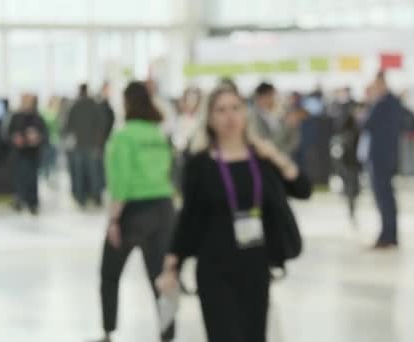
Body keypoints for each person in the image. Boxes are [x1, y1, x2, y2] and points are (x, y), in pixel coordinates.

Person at [157, 86, 312, 342]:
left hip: (256, 265)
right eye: (221, 110)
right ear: (210, 119)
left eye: (235, 108)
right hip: (214, 267)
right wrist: (172, 264)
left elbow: (303, 189)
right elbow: (188, 218)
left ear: (245, 114)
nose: (229, 116)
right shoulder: (200, 164)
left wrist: (275, 156)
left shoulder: (262, 159)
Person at [95, 82, 175, 342]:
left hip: (133, 211)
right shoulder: (158, 135)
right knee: (161, 280)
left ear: (127, 102)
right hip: (163, 209)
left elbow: (122, 180)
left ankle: (108, 331)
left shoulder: (123, 136)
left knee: (109, 273)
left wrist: (114, 219)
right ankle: (168, 334)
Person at [362, 71, 405, 249]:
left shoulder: (383, 103)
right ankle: (390, 235)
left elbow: (367, 124)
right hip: (385, 157)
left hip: (381, 158)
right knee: (386, 197)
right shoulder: (392, 103)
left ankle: (387, 236)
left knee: (384, 198)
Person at [64, 84, 106, 208]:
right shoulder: (95, 105)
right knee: (94, 173)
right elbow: (101, 125)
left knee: (79, 174)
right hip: (93, 145)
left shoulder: (74, 106)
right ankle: (96, 198)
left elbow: (68, 126)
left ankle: (80, 198)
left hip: (78, 145)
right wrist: (99, 142)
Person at [8, 94, 47, 214]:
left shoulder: (37, 117)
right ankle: (19, 200)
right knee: (19, 178)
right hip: (19, 153)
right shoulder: (15, 117)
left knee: (32, 179)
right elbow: (8, 133)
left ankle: (32, 203)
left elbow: (45, 135)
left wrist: (38, 138)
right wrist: (15, 139)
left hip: (32, 154)